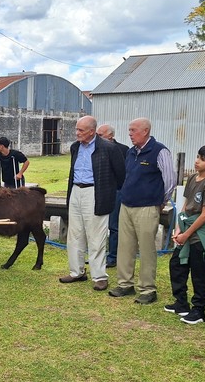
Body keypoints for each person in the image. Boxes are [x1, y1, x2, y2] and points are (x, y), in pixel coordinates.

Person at [108, 118, 175, 305]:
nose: (130, 133)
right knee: (125, 246)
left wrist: (161, 201)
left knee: (146, 248)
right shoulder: (131, 152)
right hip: (126, 205)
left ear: (145, 131)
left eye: (133, 130)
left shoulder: (159, 151)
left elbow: (170, 180)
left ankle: (147, 289)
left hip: (147, 207)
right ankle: (124, 284)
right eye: (129, 130)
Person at [59, 116, 125, 291]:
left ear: (91, 131)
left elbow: (120, 175)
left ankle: (100, 276)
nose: (77, 133)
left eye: (80, 130)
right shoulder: (75, 147)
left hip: (95, 192)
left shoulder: (108, 148)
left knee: (96, 236)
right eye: (76, 129)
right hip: (76, 190)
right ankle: (76, 272)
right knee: (75, 233)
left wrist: (107, 191)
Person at [165, 144, 205, 325]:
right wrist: (178, 228)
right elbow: (185, 205)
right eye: (198, 157)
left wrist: (187, 233)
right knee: (177, 264)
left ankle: (198, 310)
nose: (197, 161)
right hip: (187, 227)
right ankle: (181, 302)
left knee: (200, 271)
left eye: (203, 159)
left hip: (201, 233)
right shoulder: (192, 178)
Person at [96, 124, 129, 268]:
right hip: (98, 191)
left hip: (115, 191)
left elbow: (123, 173)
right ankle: (98, 255)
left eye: (101, 135)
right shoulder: (94, 148)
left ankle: (113, 256)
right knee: (97, 224)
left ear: (110, 135)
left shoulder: (122, 150)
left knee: (113, 225)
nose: (98, 138)